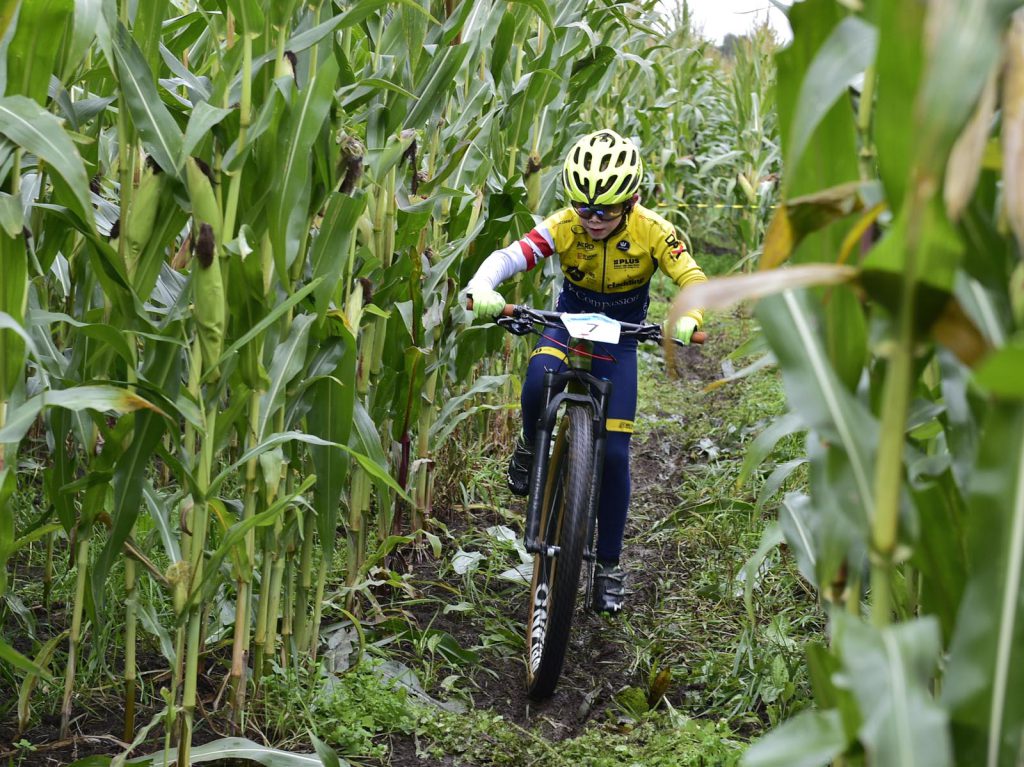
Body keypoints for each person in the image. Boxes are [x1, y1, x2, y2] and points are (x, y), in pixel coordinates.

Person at [466, 129, 707, 613]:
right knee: (537, 379)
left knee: (616, 455)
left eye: (607, 211)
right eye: (584, 208)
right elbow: (511, 256)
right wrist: (482, 286)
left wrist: (688, 315)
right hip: (570, 323)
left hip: (621, 335)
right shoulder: (565, 225)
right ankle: (530, 445)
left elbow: (692, 277)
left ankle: (609, 565)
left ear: (632, 201)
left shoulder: (654, 231)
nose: (594, 220)